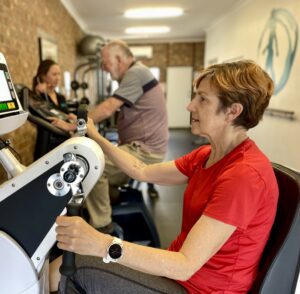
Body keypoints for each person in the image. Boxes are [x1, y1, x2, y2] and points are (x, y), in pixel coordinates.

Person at [49, 60, 279, 293]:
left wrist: (101, 244)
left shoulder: (243, 175)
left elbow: (185, 265)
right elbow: (141, 170)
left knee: (70, 267)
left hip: (199, 288)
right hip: (178, 273)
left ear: (233, 111)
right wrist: (96, 137)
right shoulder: (207, 155)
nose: (190, 106)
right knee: (66, 263)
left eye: (202, 99)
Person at [51, 40, 169, 233]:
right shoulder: (136, 72)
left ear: (119, 58)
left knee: (91, 165)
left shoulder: (136, 73)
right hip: (141, 146)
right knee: (95, 166)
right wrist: (82, 119)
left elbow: (108, 108)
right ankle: (107, 199)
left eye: (106, 63)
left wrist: (72, 125)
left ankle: (103, 226)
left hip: (144, 150)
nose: (104, 68)